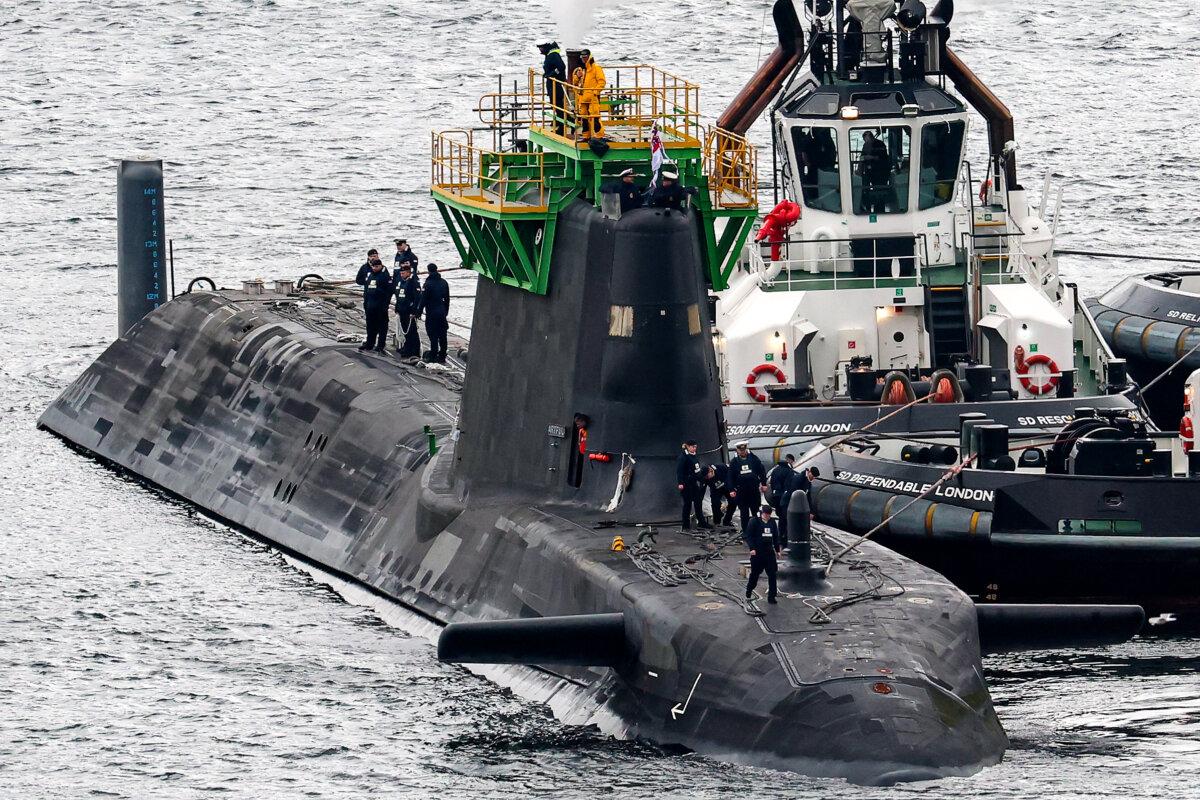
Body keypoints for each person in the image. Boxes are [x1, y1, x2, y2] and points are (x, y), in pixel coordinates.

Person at [355, 250, 392, 353]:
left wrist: (385, 304)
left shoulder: (384, 273)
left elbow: (389, 290)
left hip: (380, 305)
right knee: (370, 325)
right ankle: (370, 343)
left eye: (375, 256)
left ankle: (380, 345)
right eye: (372, 256)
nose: (373, 258)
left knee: (382, 325)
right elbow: (360, 281)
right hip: (370, 303)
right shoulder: (368, 272)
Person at [743, 505, 781, 604]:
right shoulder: (754, 521)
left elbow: (775, 537)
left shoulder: (772, 522)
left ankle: (772, 596)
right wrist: (752, 548)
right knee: (755, 574)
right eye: (766, 514)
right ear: (762, 513)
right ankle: (749, 590)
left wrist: (777, 550)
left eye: (769, 515)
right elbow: (749, 536)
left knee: (772, 575)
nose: (767, 516)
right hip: (758, 552)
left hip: (769, 552)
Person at [727, 440, 768, 531]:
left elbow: (761, 471)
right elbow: (730, 476)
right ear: (737, 450)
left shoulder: (753, 459)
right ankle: (745, 530)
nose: (742, 452)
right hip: (742, 490)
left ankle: (757, 529)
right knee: (744, 511)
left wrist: (764, 483)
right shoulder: (734, 462)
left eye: (744, 450)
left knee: (755, 510)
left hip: (753, 489)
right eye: (740, 450)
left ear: (746, 449)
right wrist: (731, 489)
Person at [779, 465, 821, 546]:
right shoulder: (798, 479)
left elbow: (808, 497)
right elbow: (793, 494)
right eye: (813, 476)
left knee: (793, 523)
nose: (814, 478)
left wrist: (811, 511)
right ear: (809, 472)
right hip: (787, 503)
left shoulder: (808, 482)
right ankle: (783, 542)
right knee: (786, 522)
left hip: (795, 504)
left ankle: (790, 540)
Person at [675, 440, 709, 530]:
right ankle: (686, 526)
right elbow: (679, 471)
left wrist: (701, 479)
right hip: (686, 484)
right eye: (693, 447)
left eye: (695, 447)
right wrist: (680, 483)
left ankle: (701, 522)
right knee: (687, 504)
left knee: (698, 502)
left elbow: (696, 469)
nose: (694, 448)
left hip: (693, 483)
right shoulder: (683, 457)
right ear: (688, 447)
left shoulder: (693, 455)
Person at [421, 262, 451, 363]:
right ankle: (442, 355)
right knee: (443, 334)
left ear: (428, 271)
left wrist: (418, 312)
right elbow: (447, 299)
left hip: (432, 312)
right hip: (441, 311)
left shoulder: (428, 284)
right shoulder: (444, 282)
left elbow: (423, 300)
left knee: (433, 334)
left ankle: (433, 354)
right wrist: (445, 311)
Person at [574, 48, 606, 139]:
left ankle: (599, 136)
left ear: (589, 57)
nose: (584, 59)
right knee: (584, 118)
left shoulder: (596, 68)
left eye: (585, 57)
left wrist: (595, 92)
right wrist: (577, 76)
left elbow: (602, 82)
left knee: (595, 117)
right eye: (582, 57)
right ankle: (586, 136)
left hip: (593, 98)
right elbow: (575, 83)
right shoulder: (582, 69)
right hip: (583, 98)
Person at [393, 262, 423, 358]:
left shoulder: (413, 282)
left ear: (408, 273)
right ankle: (407, 347)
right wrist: (397, 308)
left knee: (412, 332)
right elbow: (398, 296)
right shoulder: (401, 282)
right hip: (402, 311)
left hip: (409, 312)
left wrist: (414, 312)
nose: (401, 275)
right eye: (401, 273)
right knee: (405, 331)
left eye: (403, 273)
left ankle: (414, 351)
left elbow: (417, 298)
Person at [857, 131, 892, 214]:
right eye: (864, 139)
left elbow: (882, 157)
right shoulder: (865, 146)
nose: (866, 141)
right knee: (865, 190)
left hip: (881, 171)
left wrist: (870, 157)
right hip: (869, 171)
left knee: (879, 190)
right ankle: (867, 208)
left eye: (866, 139)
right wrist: (860, 166)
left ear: (871, 137)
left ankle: (879, 210)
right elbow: (862, 157)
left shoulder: (880, 144)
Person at [537, 42, 567, 135]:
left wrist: (552, 74)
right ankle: (559, 121)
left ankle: (562, 126)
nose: (540, 50)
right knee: (555, 104)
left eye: (541, 47)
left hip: (556, 85)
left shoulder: (553, 55)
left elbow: (561, 66)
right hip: (552, 84)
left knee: (558, 105)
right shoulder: (549, 55)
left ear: (547, 47)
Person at [703, 463, 736, 527]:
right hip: (716, 489)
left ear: (710, 470)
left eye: (707, 476)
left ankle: (727, 521)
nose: (707, 478)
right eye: (706, 477)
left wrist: (733, 488)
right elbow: (702, 487)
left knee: (733, 502)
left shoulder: (721, 467)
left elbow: (732, 475)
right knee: (715, 503)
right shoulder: (705, 477)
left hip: (727, 486)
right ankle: (717, 522)